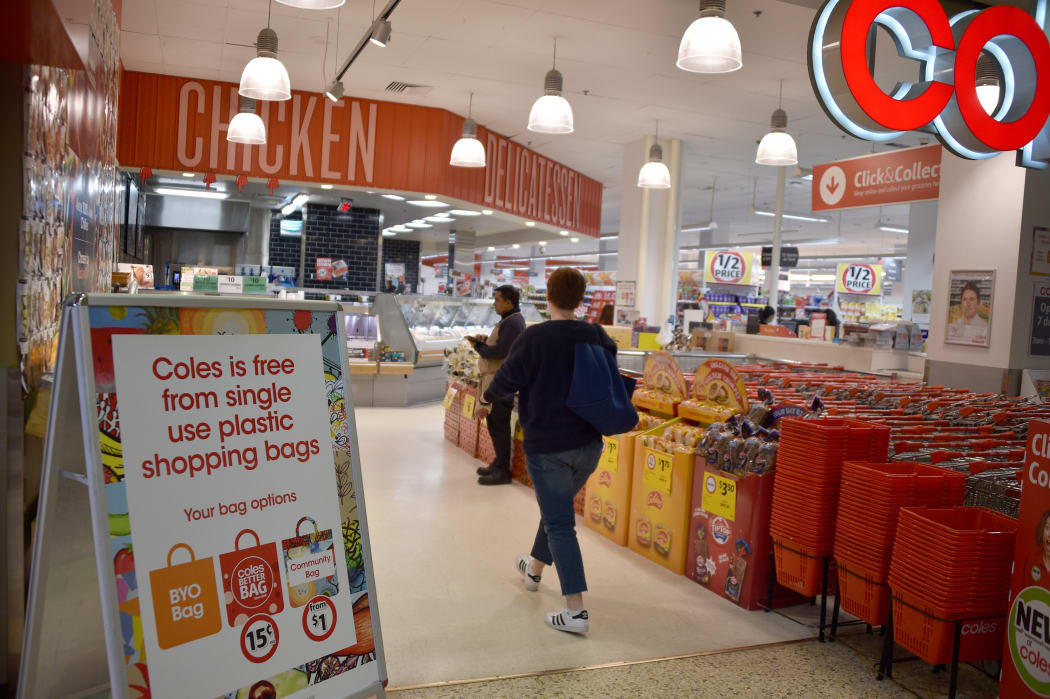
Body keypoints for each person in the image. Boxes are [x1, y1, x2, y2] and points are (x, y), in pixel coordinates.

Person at [483, 267, 617, 634]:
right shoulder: (597, 335)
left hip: (549, 449)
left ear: (549, 295)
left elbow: (506, 380)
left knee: (560, 523)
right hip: (589, 446)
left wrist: (486, 398)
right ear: (581, 297)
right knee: (555, 513)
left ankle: (575, 611)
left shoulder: (535, 337)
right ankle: (534, 569)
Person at [470, 285, 526, 485]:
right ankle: (498, 463)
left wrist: (479, 347)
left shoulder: (513, 323)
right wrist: (485, 343)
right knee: (494, 424)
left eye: (497, 300)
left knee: (500, 424)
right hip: (496, 378)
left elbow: (501, 352)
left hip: (501, 381)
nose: (494, 304)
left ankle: (502, 470)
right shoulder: (509, 321)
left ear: (509, 302)